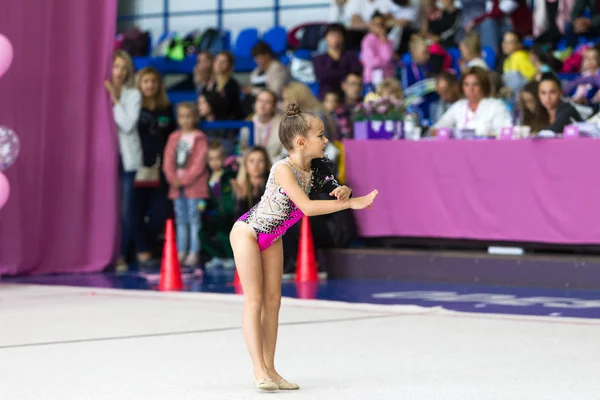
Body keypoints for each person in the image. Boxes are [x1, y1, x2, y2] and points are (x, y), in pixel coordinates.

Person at [229, 103, 379, 391]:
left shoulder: (319, 166)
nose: (326, 141)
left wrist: (342, 191)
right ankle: (258, 369)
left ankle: (272, 370)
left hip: (273, 236)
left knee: (274, 303)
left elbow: (332, 185)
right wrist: (351, 203)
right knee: (255, 300)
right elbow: (308, 208)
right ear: (301, 142)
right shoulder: (282, 169)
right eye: (321, 136)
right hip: (248, 232)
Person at [134, 67, 177, 264]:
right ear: (139, 84)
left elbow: (173, 137)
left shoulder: (166, 108)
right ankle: (141, 250)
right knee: (134, 212)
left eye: (153, 81)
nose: (149, 85)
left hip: (161, 168)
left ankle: (149, 246)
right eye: (146, 81)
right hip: (137, 167)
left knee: (161, 212)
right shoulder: (134, 108)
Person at [105, 50, 142, 269]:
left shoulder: (132, 94)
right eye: (115, 66)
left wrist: (115, 100)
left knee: (125, 209)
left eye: (122, 68)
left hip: (125, 159)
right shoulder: (97, 91)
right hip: (103, 158)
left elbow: (128, 125)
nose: (118, 72)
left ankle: (120, 254)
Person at [162, 103, 209, 266]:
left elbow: (199, 163)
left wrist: (184, 180)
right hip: (176, 188)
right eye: (182, 116)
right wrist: (173, 178)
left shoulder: (200, 138)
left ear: (195, 118)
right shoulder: (174, 137)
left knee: (195, 219)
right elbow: (167, 160)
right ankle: (181, 251)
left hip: (195, 188)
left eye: (189, 116)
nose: (185, 119)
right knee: (181, 219)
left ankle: (194, 252)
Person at [202, 141, 237, 270]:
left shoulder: (229, 175)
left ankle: (231, 257)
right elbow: (210, 198)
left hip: (230, 213)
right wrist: (203, 205)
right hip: (216, 213)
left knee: (224, 233)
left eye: (218, 158)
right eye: (211, 159)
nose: (215, 162)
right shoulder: (208, 177)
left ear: (224, 159)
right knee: (202, 233)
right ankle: (219, 257)